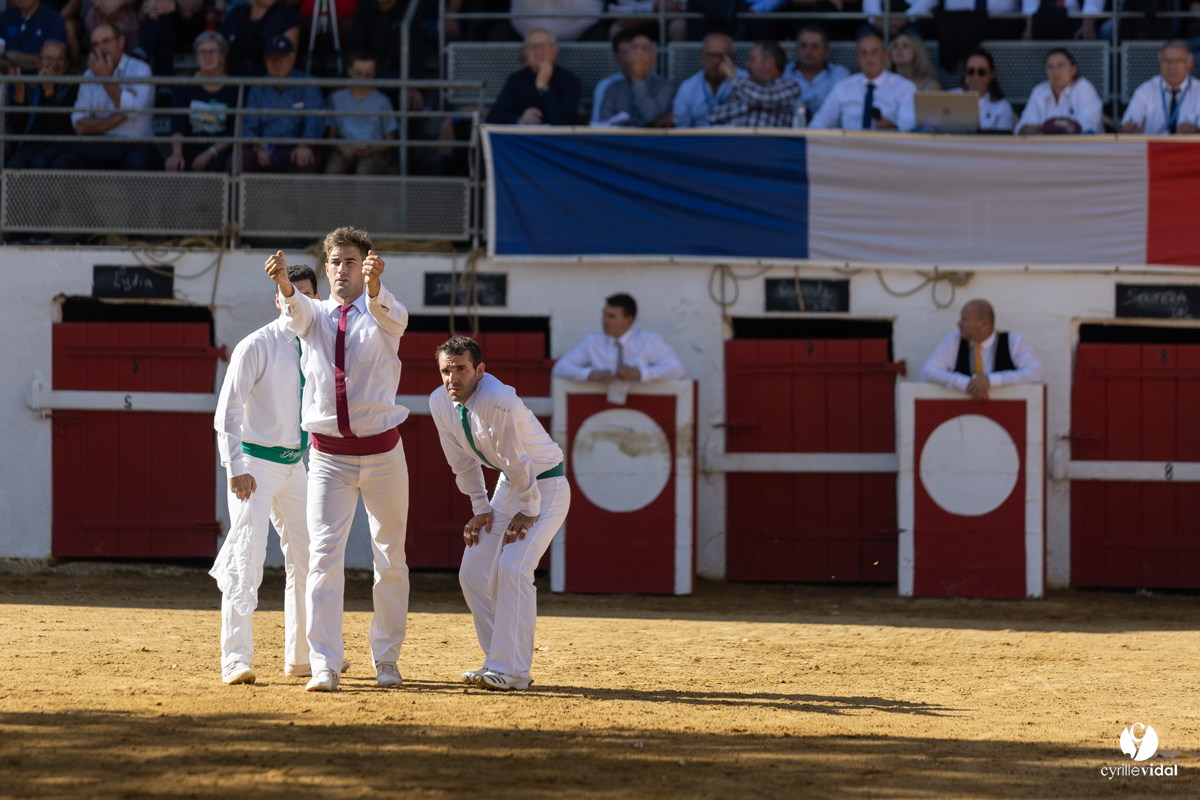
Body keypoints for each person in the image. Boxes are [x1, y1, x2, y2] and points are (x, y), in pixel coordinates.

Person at [265, 227, 412, 694]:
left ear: (368, 265)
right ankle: (324, 662)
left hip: (383, 452)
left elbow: (390, 313)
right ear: (325, 268)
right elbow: (295, 310)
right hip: (329, 456)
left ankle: (386, 658)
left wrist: (374, 290)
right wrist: (287, 286)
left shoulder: (388, 313)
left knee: (390, 557)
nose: (342, 270)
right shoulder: (314, 314)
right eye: (335, 262)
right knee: (323, 559)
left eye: (352, 261)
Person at [430, 336, 570, 693]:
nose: (452, 378)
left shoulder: (499, 399)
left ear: (480, 370)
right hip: (510, 488)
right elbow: (460, 461)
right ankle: (497, 660)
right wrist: (480, 508)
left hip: (546, 488)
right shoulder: (439, 401)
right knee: (474, 572)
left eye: (461, 369)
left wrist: (529, 508)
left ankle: (514, 671)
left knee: (513, 567)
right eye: (446, 370)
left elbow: (516, 459)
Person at [211, 263, 320, 687]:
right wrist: (235, 466)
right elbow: (228, 411)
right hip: (254, 465)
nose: (301, 301)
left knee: (308, 557)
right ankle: (235, 659)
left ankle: (301, 656)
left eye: (309, 295)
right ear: (279, 297)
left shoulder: (320, 346)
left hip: (298, 464)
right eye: (294, 293)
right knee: (245, 556)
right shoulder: (255, 345)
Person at [60, 22, 156, 169]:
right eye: (96, 44)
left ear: (121, 42)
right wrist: (120, 116)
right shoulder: (89, 75)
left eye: (106, 41)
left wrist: (104, 79)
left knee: (137, 163)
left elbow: (134, 110)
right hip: (99, 146)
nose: (101, 49)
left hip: (136, 145)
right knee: (65, 162)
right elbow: (79, 125)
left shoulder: (140, 69)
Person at [920, 299, 1043, 401]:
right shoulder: (954, 341)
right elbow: (927, 372)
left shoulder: (1013, 341)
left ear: (983, 324)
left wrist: (992, 380)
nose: (959, 323)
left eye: (964, 319)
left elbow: (1036, 373)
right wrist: (966, 384)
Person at [552, 293, 686, 385]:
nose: (604, 320)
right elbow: (560, 368)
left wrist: (640, 374)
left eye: (611, 316)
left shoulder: (648, 341)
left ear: (628, 320)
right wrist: (590, 374)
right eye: (604, 314)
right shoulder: (593, 342)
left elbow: (677, 369)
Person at [243, 36, 324, 173]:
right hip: (266, 147)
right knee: (240, 160)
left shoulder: (307, 82)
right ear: (265, 61)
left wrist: (305, 144)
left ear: (292, 58)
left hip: (296, 147)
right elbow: (249, 126)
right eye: (271, 60)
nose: (276, 64)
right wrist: (259, 148)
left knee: (304, 161)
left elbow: (314, 119)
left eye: (281, 59)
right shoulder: (258, 87)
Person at [809, 33, 916, 132]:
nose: (869, 58)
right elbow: (819, 122)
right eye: (864, 53)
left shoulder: (904, 87)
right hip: (849, 148)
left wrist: (892, 126)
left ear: (885, 56)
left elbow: (909, 125)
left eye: (874, 52)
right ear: (857, 58)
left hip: (888, 147)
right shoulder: (843, 87)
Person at [165, 31, 239, 172]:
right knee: (177, 164)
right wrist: (176, 153)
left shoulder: (234, 86)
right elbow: (177, 124)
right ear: (196, 58)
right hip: (191, 144)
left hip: (219, 147)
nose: (208, 56)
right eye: (202, 52)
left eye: (213, 51)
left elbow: (234, 131)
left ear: (222, 55)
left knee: (217, 165)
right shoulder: (184, 84)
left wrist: (209, 153)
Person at [485, 28, 581, 126]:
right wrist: (520, 119)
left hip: (554, 140)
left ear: (555, 50)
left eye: (543, 46)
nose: (538, 51)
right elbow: (494, 117)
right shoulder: (516, 80)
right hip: (522, 139)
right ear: (525, 52)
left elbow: (564, 121)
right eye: (533, 47)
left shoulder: (569, 80)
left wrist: (543, 87)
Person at [5, 40, 76, 169]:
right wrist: (19, 93)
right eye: (48, 59)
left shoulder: (72, 87)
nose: (54, 64)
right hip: (30, 145)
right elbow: (17, 126)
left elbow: (62, 125)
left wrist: (49, 90)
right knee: (13, 165)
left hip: (60, 146)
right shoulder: (30, 85)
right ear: (38, 62)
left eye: (59, 59)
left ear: (66, 64)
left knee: (40, 162)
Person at [324, 51, 398, 174]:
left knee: (364, 171)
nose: (363, 79)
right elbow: (330, 136)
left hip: (374, 152)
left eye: (368, 75)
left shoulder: (383, 101)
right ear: (349, 70)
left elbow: (391, 140)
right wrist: (342, 148)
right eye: (358, 74)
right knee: (333, 170)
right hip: (345, 149)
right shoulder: (336, 99)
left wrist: (371, 150)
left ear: (375, 73)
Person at [708, 40, 800, 128]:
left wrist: (734, 76)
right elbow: (712, 116)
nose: (746, 65)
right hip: (733, 142)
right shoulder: (744, 87)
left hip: (767, 143)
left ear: (769, 61)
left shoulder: (790, 86)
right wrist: (747, 106)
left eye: (752, 59)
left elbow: (763, 97)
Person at [594, 30, 674, 127]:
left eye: (645, 48)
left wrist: (637, 80)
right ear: (627, 55)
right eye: (634, 48)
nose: (639, 52)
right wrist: (644, 124)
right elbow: (606, 120)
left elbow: (651, 117)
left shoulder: (664, 87)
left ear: (654, 60)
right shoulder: (613, 87)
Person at [1120, 40, 1200, 135]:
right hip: (1153, 148)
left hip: (1189, 149)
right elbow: (1125, 127)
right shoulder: (1146, 90)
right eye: (1166, 61)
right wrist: (1127, 129)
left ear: (1190, 65)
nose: (1171, 67)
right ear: (1159, 64)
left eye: (1178, 61)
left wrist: (1195, 131)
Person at [1016, 47, 1103, 134]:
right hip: (1045, 147)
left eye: (1061, 65)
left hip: (1082, 147)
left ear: (1073, 69)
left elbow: (1087, 128)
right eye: (1050, 67)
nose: (1055, 71)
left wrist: (1045, 128)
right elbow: (1022, 126)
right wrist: (1029, 129)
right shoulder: (1039, 91)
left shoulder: (1084, 87)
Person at [672, 33, 744, 128]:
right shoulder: (688, 87)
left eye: (722, 56)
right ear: (701, 56)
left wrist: (735, 79)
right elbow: (681, 128)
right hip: (698, 141)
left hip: (736, 140)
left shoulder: (746, 80)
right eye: (711, 55)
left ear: (732, 57)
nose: (716, 61)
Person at [782, 25, 849, 125]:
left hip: (829, 138)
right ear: (796, 50)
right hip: (789, 136)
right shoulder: (784, 73)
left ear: (827, 51)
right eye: (803, 45)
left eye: (815, 46)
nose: (808, 51)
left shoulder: (840, 74)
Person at [221, 0, 299, 75]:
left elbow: (289, 59)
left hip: (268, 82)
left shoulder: (287, 15)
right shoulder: (235, 14)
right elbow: (220, 51)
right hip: (232, 79)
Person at [952, 47, 1013, 132]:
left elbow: (1003, 142)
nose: (976, 77)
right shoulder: (949, 98)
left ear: (991, 75)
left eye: (981, 72)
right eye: (971, 71)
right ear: (964, 73)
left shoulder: (1002, 106)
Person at [137, 0, 205, 76]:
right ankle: (165, 84)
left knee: (165, 17)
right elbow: (142, 16)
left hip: (189, 25)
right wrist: (150, 9)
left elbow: (194, 7)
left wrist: (175, 6)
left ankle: (142, 50)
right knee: (166, 30)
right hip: (161, 28)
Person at [0, 0, 68, 72]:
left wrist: (8, 54)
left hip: (44, 81)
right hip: (8, 80)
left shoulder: (54, 20)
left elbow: (49, 63)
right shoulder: (3, 18)